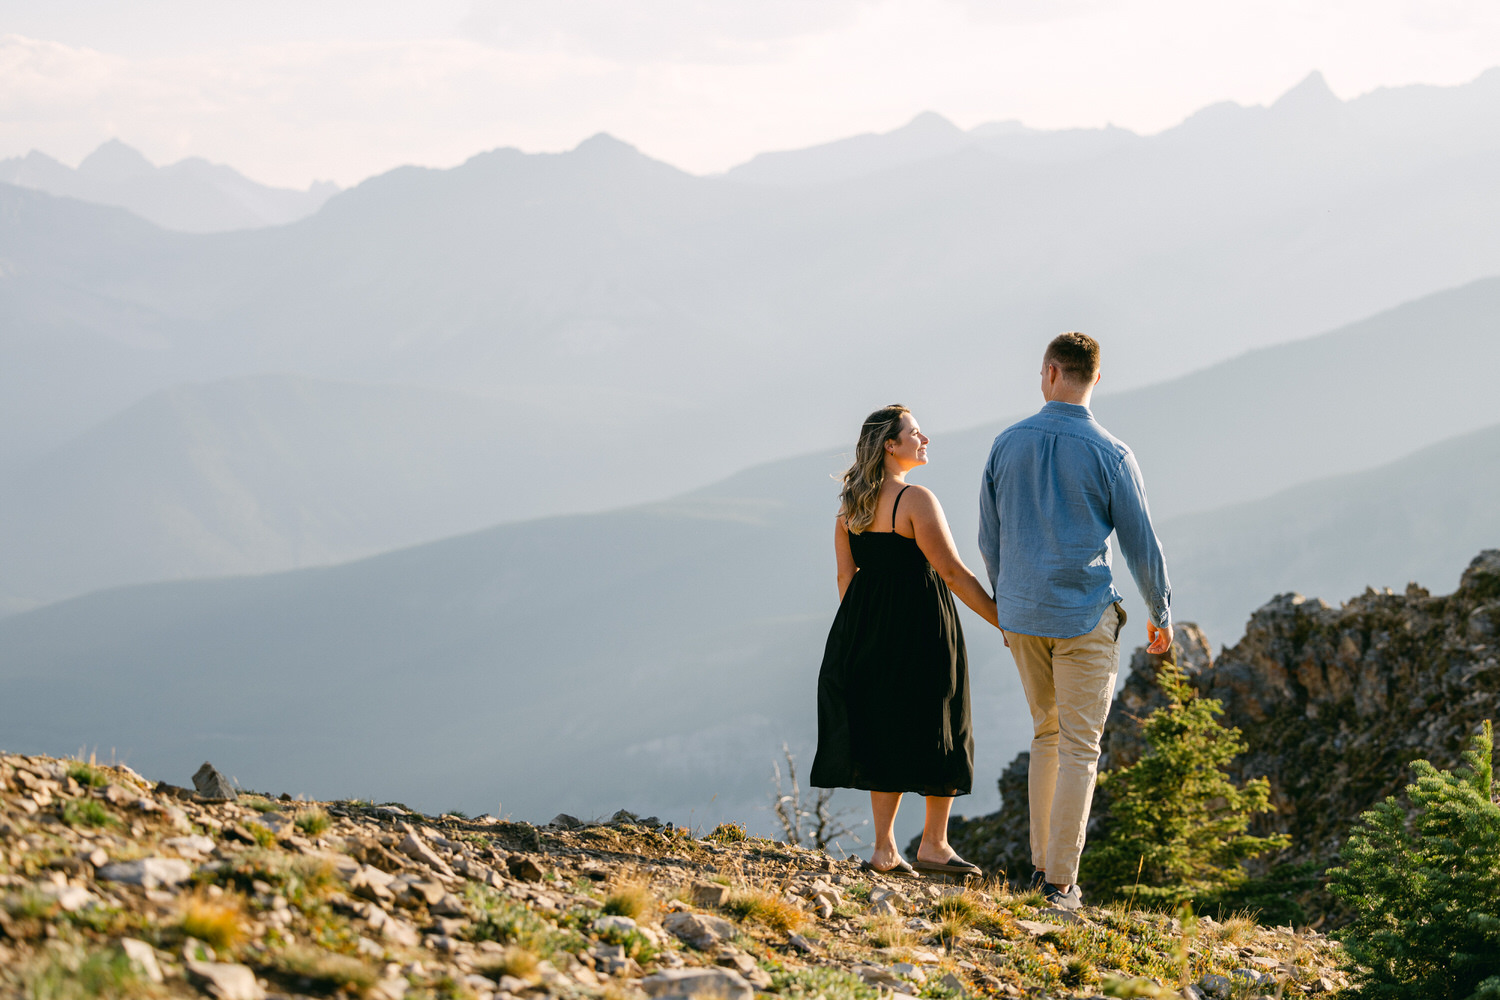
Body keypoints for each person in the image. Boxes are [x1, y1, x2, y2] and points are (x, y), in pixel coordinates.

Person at [978, 332, 1173, 910]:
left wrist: (1006, 604)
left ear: (1049, 372)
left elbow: (991, 540)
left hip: (1023, 616)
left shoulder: (1005, 445)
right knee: (1081, 748)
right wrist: (1160, 610)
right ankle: (1060, 883)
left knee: (1045, 734)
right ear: (1093, 379)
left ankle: (1042, 868)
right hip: (1084, 614)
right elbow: (1141, 543)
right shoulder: (1112, 453)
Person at [811, 404, 1001, 877]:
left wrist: (862, 632)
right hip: (922, 627)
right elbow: (954, 573)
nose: (925, 439)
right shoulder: (915, 499)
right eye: (915, 433)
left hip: (866, 629)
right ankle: (935, 844)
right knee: (944, 721)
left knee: (885, 729)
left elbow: (845, 577)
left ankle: (883, 848)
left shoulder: (850, 506)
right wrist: (1003, 621)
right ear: (890, 445)